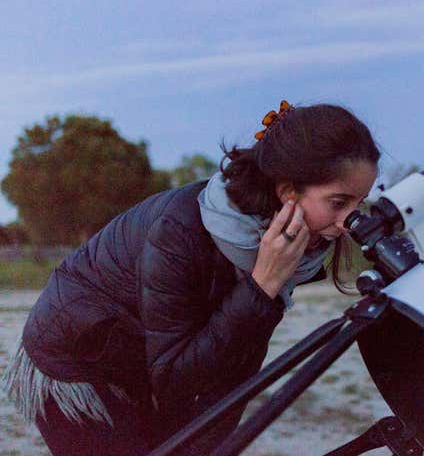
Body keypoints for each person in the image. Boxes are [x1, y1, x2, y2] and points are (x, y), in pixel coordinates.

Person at [0, 101, 380, 455]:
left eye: (357, 203)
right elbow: (177, 381)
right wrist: (261, 287)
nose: (348, 222)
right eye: (338, 202)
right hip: (78, 362)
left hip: (144, 361)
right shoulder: (181, 230)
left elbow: (235, 365)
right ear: (287, 192)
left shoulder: (288, 249)